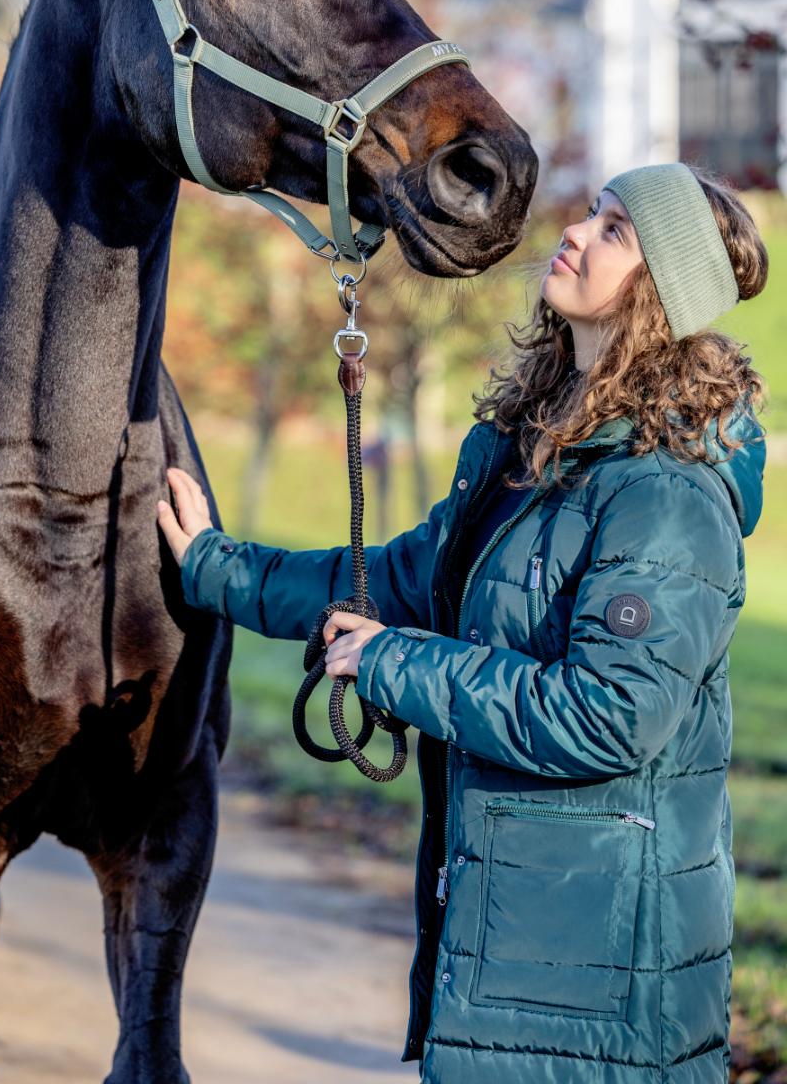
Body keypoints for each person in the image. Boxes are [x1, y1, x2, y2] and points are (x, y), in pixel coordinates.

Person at [157, 161, 768, 1084]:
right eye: (591, 212)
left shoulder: (665, 492)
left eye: (614, 233)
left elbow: (609, 714)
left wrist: (399, 667)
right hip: (511, 944)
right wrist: (214, 566)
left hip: (602, 982)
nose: (574, 232)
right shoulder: (528, 459)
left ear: (659, 294)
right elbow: (386, 581)